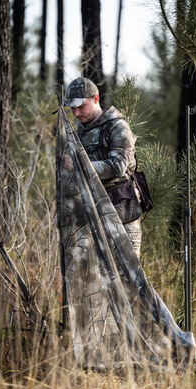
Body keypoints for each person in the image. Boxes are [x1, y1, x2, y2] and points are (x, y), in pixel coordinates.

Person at [64, 77, 142, 258]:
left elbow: (118, 166)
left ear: (96, 99)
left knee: (128, 280)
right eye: (72, 108)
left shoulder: (117, 126)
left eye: (80, 106)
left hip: (122, 217)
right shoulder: (80, 131)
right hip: (93, 217)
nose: (76, 113)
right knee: (101, 282)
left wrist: (80, 165)